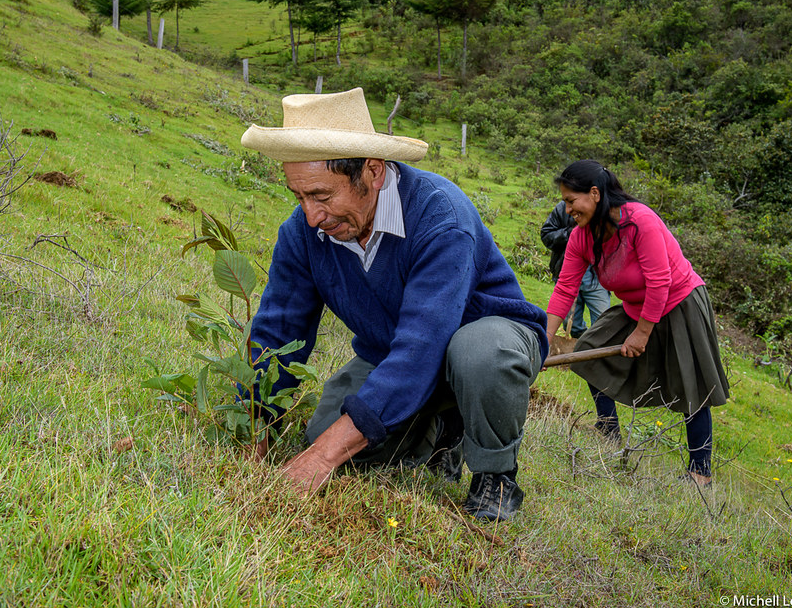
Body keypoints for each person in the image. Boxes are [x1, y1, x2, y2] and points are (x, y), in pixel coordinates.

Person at [239, 88, 549, 520]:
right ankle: (442, 432)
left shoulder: (441, 219)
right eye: (300, 197)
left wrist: (323, 458)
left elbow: (422, 347)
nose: (312, 217)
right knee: (326, 436)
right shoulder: (303, 233)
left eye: (323, 196)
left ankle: (496, 476)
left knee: (479, 354)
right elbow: (279, 330)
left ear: (373, 172)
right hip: (394, 352)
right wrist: (255, 420)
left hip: (487, 338)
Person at [544, 160, 729, 486]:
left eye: (572, 201)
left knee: (691, 384)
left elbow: (660, 282)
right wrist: (545, 339)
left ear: (595, 194)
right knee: (591, 349)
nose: (568, 209)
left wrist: (643, 334)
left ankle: (700, 472)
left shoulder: (640, 222)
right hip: (635, 306)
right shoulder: (581, 238)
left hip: (679, 302)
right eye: (565, 203)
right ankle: (608, 430)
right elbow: (565, 288)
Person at [540, 200, 610, 338]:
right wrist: (572, 234)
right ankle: (581, 349)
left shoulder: (602, 210)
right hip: (568, 273)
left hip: (596, 277)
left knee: (603, 321)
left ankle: (596, 350)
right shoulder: (562, 209)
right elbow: (546, 235)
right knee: (572, 325)